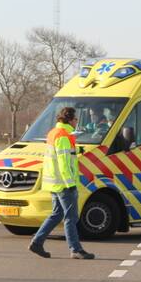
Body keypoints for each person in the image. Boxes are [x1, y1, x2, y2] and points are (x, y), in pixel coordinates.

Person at [29, 106, 95, 260]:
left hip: (54, 183)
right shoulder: (64, 136)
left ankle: (37, 242)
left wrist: (78, 152)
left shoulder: (54, 133)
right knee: (71, 217)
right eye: (76, 119)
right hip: (64, 184)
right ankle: (76, 249)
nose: (77, 122)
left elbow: (60, 156)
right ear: (71, 120)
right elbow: (64, 163)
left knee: (56, 214)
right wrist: (70, 183)